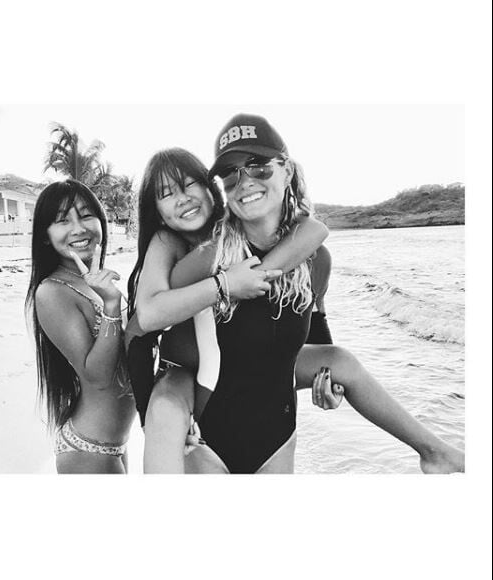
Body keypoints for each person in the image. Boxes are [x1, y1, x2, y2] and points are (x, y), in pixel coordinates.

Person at [130, 113, 465, 474]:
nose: (244, 182)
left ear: (287, 170)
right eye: (231, 173)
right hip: (205, 427)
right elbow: (145, 322)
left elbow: (314, 321)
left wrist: (327, 383)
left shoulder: (316, 257)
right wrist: (159, 406)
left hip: (275, 434)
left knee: (342, 360)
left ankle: (434, 452)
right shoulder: (206, 257)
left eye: (258, 166)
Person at [125, 146, 330, 472]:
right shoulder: (167, 244)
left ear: (212, 189)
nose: (182, 198)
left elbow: (306, 298)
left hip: (243, 378)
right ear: (157, 211)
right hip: (183, 372)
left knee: (344, 365)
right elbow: (140, 329)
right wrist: (148, 418)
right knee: (164, 410)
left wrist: (326, 373)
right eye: (166, 194)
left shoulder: (239, 230)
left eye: (190, 184)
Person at [26, 180, 135, 474]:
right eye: (63, 220)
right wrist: (112, 306)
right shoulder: (51, 292)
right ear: (46, 236)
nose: (79, 228)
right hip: (88, 448)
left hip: (116, 443)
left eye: (86, 215)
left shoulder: (93, 281)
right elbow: (97, 376)